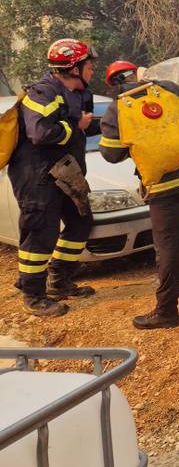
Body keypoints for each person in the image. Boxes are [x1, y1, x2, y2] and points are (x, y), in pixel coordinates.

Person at [99, 60, 179, 329]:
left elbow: (110, 154)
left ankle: (167, 311)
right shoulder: (169, 88)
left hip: (162, 187)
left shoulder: (117, 109)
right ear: (139, 74)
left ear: (114, 85)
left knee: (166, 242)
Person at [8, 38, 101, 317]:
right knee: (40, 233)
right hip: (36, 175)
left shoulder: (81, 94)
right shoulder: (42, 93)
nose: (92, 71)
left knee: (81, 222)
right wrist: (76, 126)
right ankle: (33, 295)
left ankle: (59, 280)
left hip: (66, 173)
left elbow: (83, 127)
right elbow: (41, 133)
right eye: (88, 65)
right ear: (74, 67)